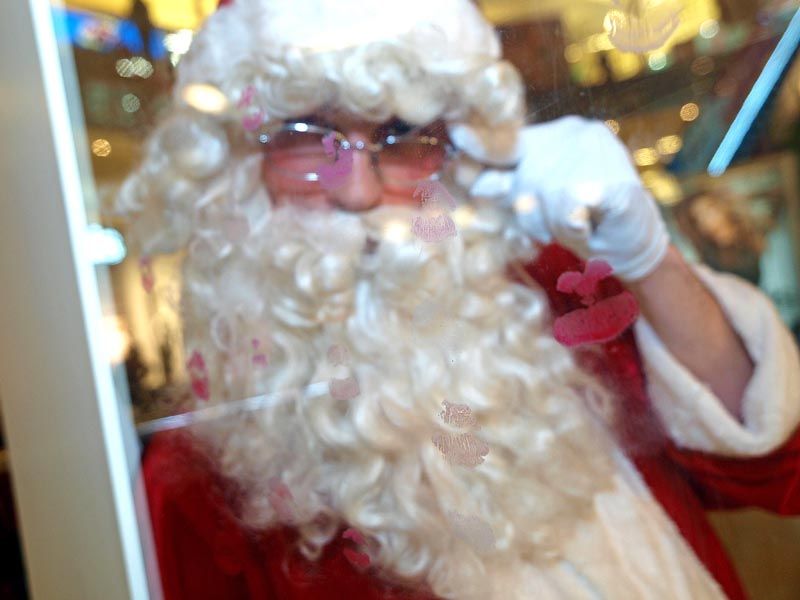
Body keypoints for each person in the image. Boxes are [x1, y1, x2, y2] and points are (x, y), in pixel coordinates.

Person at [118, 0, 800, 598]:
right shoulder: (192, 488)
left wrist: (649, 261)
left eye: (400, 134)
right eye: (305, 136)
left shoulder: (544, 295)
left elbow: (769, 465)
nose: (358, 191)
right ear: (239, 166)